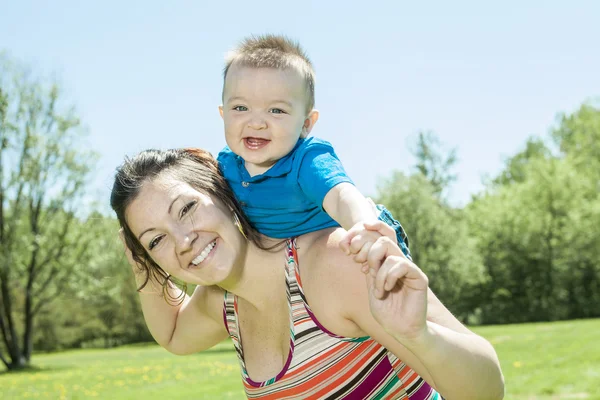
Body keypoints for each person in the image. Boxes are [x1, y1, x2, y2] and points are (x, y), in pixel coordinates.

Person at [111, 147, 505, 400]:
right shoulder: (224, 303)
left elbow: (487, 390)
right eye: (156, 241)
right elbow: (174, 334)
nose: (182, 241)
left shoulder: (334, 262)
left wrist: (421, 337)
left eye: (186, 209)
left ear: (224, 194)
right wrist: (137, 256)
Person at [217, 34, 411, 260]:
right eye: (241, 108)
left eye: (276, 110)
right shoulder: (226, 164)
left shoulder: (306, 160)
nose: (256, 122)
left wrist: (364, 226)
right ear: (223, 114)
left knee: (384, 279)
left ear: (306, 124)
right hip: (294, 263)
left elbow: (341, 196)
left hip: (358, 238)